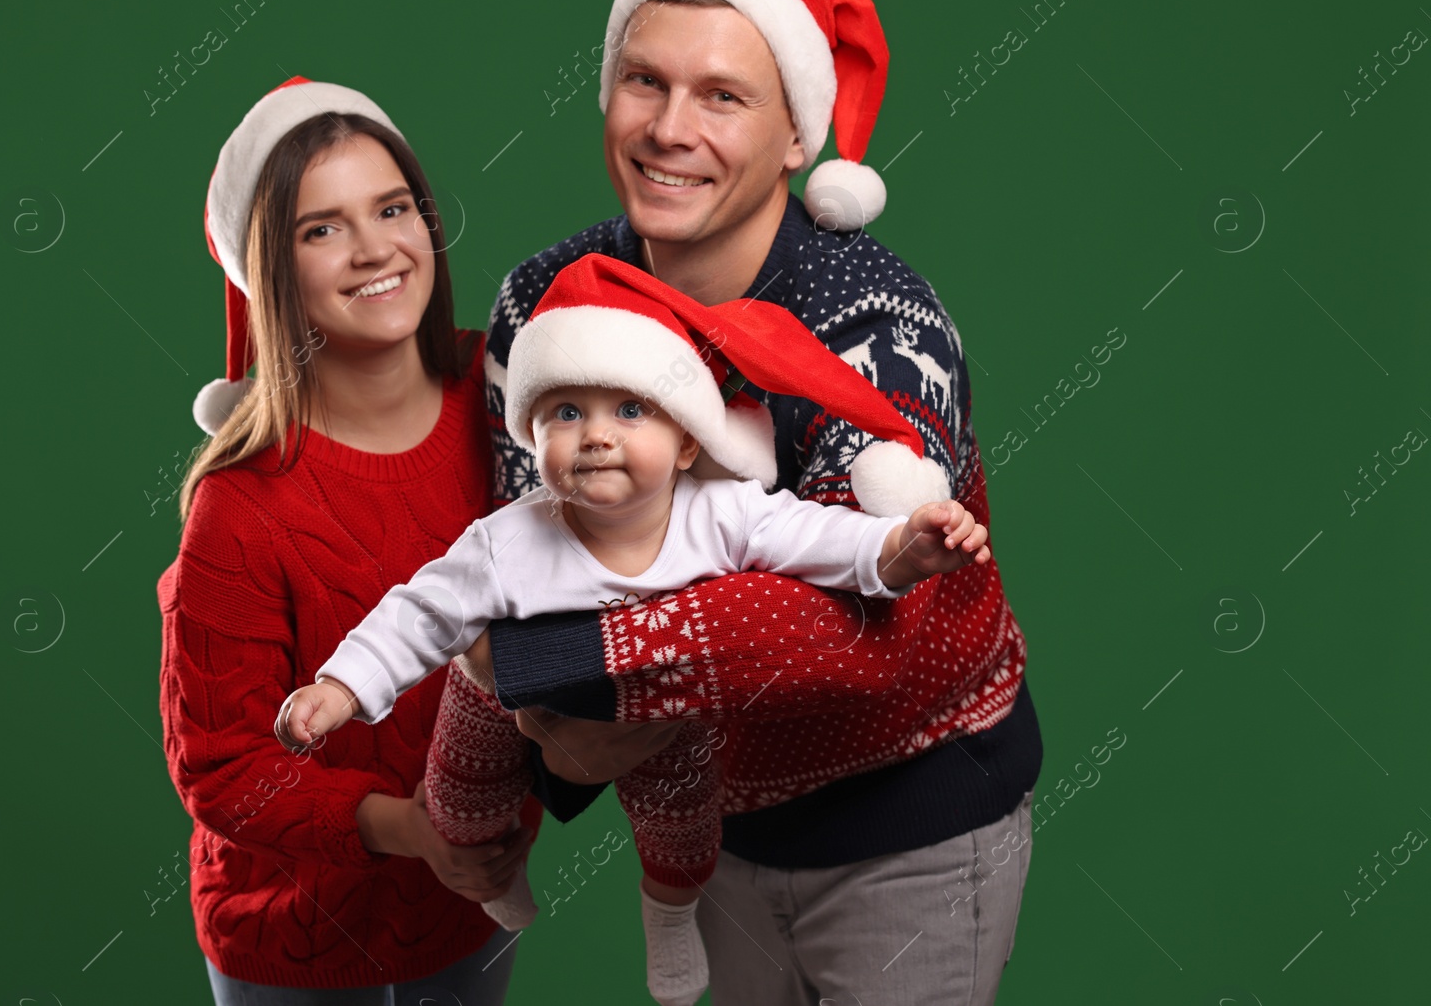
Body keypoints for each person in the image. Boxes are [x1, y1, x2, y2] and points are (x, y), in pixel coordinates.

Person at [467, 0, 1044, 1005]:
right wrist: (516, 770)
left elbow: (863, 634)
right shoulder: (545, 301)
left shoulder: (879, 325)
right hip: (708, 832)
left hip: (908, 818)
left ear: (796, 136)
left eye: (721, 95)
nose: (668, 129)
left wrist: (560, 677)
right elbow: (525, 555)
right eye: (645, 80)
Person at [276, 252, 992, 1006]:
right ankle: (499, 873)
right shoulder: (509, 538)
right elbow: (422, 610)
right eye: (565, 413)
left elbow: (822, 541)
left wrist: (900, 550)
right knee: (458, 799)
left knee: (682, 821)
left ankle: (670, 907)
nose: (594, 435)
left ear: (687, 442)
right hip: (499, 698)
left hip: (661, 704)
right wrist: (341, 686)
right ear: (533, 439)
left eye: (628, 410)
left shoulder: (722, 511)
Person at [156, 77, 543, 1004]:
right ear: (271, 270)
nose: (376, 248)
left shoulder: (511, 401)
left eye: (393, 207)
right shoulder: (243, 506)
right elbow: (224, 769)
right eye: (321, 228)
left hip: (466, 913)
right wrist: (409, 827)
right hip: (293, 936)